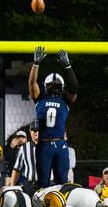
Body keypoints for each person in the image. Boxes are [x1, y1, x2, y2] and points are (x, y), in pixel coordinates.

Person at [29, 46, 79, 188]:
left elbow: (74, 87)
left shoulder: (66, 100)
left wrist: (68, 66)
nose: (54, 88)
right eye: (52, 86)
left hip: (59, 145)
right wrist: (35, 64)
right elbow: (32, 83)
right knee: (43, 183)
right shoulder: (39, 98)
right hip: (44, 144)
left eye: (56, 86)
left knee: (62, 182)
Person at [9, 120, 39, 197]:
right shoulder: (24, 148)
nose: (37, 132)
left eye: (39, 130)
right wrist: (12, 186)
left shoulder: (51, 146)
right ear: (30, 131)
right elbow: (16, 169)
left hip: (47, 185)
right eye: (34, 130)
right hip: (30, 186)